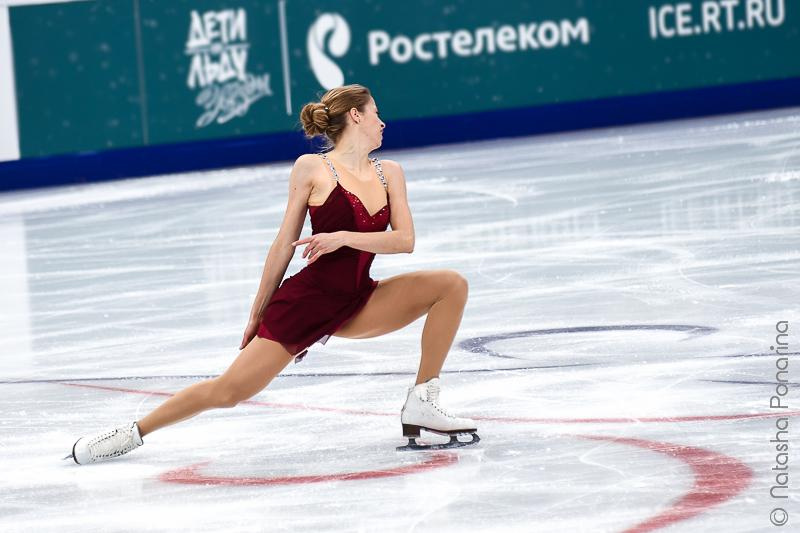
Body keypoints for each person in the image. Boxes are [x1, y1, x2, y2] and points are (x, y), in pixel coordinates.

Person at [65, 84, 478, 464]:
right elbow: (284, 244)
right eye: (375, 113)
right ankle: (130, 434)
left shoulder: (390, 172)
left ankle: (423, 400)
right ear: (355, 115)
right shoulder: (312, 168)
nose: (382, 122)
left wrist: (341, 238)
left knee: (450, 285)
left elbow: (405, 240)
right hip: (306, 303)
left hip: (359, 299)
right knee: (228, 391)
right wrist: (257, 313)